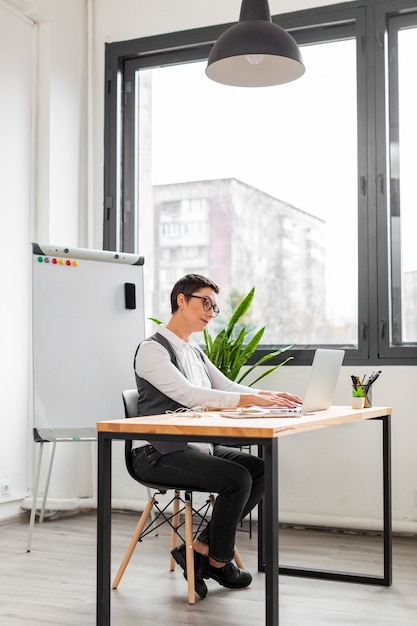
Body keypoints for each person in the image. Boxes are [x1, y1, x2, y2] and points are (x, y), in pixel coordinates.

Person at [131, 274, 301, 599]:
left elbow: (224, 387)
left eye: (215, 307)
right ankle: (218, 563)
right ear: (181, 300)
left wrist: (269, 395)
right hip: (157, 453)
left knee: (261, 469)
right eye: (205, 302)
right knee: (237, 478)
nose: (211, 311)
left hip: (195, 447)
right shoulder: (152, 350)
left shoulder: (193, 350)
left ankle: (199, 550)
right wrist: (254, 400)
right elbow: (190, 394)